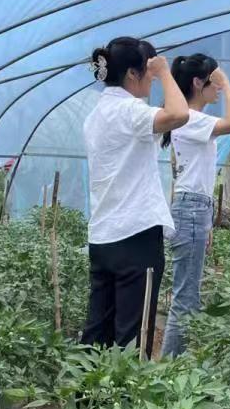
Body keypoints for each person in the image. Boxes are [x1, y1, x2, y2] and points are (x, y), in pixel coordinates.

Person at [81, 37, 189, 355]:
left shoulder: (96, 114)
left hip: (103, 236)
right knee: (131, 338)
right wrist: (165, 71)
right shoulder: (130, 110)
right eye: (149, 73)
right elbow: (179, 114)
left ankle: (84, 389)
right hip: (135, 236)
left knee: (97, 334)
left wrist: (157, 70)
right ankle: (125, 390)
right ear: (132, 73)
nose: (152, 80)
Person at [159, 54, 230, 356]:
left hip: (195, 208)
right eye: (213, 81)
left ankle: (173, 365)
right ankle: (170, 367)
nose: (218, 87)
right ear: (198, 82)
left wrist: (205, 223)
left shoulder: (190, 119)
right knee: (186, 299)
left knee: (187, 295)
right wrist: (228, 83)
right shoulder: (191, 119)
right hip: (192, 209)